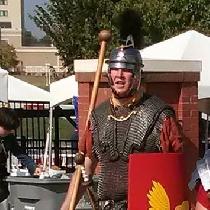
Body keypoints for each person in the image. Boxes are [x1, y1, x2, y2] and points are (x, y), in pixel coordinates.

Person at [61, 44, 183, 210]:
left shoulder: (160, 115)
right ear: (108, 73)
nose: (119, 75)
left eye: (126, 70)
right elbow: (84, 170)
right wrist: (66, 207)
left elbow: (174, 171)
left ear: (137, 75)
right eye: (114, 69)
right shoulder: (99, 116)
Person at [0, 107, 37, 204]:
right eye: (7, 128)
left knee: (3, 196)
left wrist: (33, 167)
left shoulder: (9, 138)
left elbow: (20, 153)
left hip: (1, 176)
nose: (9, 132)